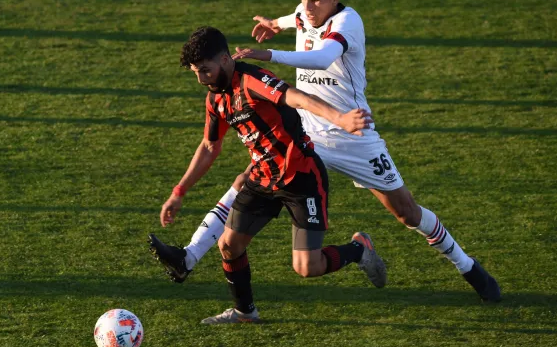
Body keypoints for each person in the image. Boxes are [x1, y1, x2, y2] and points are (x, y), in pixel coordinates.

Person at [149, 0, 501, 303]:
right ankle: (189, 256)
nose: (307, 6)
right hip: (310, 129)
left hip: (353, 133)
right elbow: (296, 20)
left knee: (407, 212)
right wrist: (275, 23)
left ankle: (468, 267)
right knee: (249, 177)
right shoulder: (305, 14)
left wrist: (270, 52)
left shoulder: (349, 21)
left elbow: (322, 57)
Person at [148, 26, 387, 325]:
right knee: (229, 245)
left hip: (301, 178)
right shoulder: (216, 100)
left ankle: (358, 249)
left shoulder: (252, 81)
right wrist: (178, 192)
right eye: (196, 72)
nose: (201, 79)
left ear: (224, 59)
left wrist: (340, 118)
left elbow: (296, 97)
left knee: (306, 267)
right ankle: (245, 312)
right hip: (261, 179)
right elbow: (210, 146)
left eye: (205, 71)